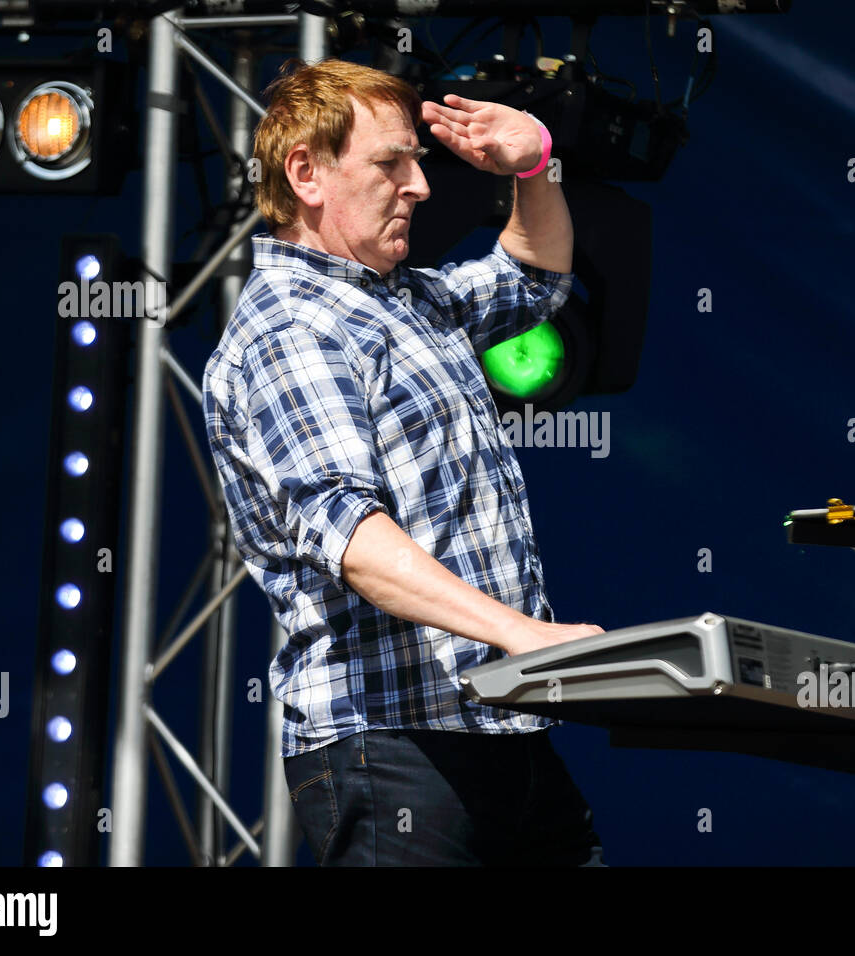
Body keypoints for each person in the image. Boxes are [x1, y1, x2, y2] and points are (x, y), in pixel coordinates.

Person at [203, 58, 606, 866]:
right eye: (391, 163)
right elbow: (352, 538)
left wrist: (533, 164)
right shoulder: (292, 329)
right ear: (307, 174)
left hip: (500, 730)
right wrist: (521, 634)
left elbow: (537, 278)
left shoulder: (407, 297)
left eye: (418, 161)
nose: (419, 185)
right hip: (394, 749)